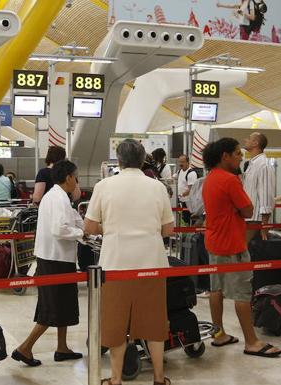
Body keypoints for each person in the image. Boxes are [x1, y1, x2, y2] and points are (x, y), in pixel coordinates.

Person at [84, 139, 175, 385]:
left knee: (115, 324)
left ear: (119, 159)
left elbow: (90, 226)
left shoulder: (104, 186)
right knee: (155, 322)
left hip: (116, 264)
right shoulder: (157, 187)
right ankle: (158, 377)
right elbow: (168, 229)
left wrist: (112, 228)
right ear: (143, 158)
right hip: (152, 263)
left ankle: (115, 379)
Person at [202, 137, 281, 358]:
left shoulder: (210, 178)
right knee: (242, 294)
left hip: (215, 242)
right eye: (237, 153)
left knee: (216, 290)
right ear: (224, 156)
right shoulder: (230, 180)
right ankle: (252, 341)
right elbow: (248, 210)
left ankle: (219, 334)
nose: (240, 156)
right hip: (233, 245)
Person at [12, 160, 84, 367]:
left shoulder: (57, 196)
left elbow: (72, 220)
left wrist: (84, 228)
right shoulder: (58, 198)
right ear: (69, 177)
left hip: (57, 257)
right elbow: (59, 229)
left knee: (65, 305)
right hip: (55, 259)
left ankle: (62, 347)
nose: (77, 181)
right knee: (51, 307)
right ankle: (25, 348)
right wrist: (82, 233)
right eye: (76, 177)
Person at [242, 132, 275, 241]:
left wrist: (264, 225)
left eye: (249, 138)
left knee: (243, 251)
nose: (245, 140)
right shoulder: (252, 164)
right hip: (248, 218)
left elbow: (266, 195)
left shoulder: (263, 165)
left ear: (256, 143)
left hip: (256, 220)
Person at [176, 154, 197, 225]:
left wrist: (180, 195)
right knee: (183, 221)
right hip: (182, 201)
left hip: (189, 203)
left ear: (188, 162)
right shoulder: (179, 171)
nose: (180, 164)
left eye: (182, 162)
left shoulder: (191, 173)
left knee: (190, 221)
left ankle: (191, 235)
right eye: (179, 162)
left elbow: (191, 190)